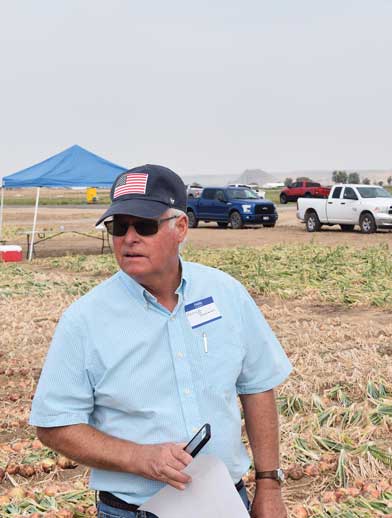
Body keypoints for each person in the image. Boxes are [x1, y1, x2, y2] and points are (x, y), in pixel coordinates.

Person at [30, 165, 292, 518]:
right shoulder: (84, 320)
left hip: (227, 503)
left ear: (181, 227)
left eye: (145, 225)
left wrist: (269, 484)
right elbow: (54, 423)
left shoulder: (226, 294)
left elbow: (258, 387)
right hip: (135, 511)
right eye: (119, 227)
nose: (129, 238)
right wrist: (138, 457)